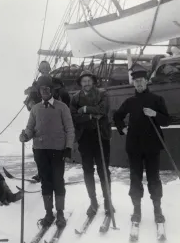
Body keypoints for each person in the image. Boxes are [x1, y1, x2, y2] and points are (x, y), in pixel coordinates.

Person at [113, 69, 170, 224]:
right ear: (134, 84)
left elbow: (166, 121)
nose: (139, 83)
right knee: (135, 178)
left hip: (152, 146)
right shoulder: (130, 102)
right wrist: (122, 128)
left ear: (146, 81)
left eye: (141, 80)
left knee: (154, 178)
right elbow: (117, 116)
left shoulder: (157, 99)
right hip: (134, 147)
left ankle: (157, 209)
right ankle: (136, 210)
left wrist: (154, 114)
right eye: (136, 81)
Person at [19, 76, 74, 228]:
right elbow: (30, 128)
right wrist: (25, 136)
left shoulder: (62, 107)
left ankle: (60, 213)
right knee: (46, 182)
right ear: (39, 91)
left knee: (58, 181)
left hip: (58, 151)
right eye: (42, 89)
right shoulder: (35, 109)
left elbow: (69, 129)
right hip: (40, 151)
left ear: (52, 90)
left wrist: (68, 147)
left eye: (47, 88)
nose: (44, 91)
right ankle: (49, 213)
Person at [70, 70, 113, 218]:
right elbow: (74, 116)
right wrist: (90, 116)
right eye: (84, 81)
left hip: (101, 136)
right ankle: (93, 201)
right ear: (81, 83)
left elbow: (103, 110)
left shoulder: (103, 94)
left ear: (93, 81)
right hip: (85, 139)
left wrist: (86, 109)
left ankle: (108, 201)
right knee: (88, 171)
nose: (86, 83)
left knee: (103, 170)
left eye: (89, 81)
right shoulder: (75, 98)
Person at [24, 61, 71, 182]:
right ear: (40, 70)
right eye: (42, 68)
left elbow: (65, 97)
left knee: (57, 149)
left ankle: (57, 176)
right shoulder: (35, 85)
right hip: (40, 118)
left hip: (56, 116)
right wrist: (32, 104)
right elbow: (29, 102)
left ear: (49, 69)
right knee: (39, 150)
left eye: (46, 68)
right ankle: (41, 173)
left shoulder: (57, 83)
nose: (45, 69)